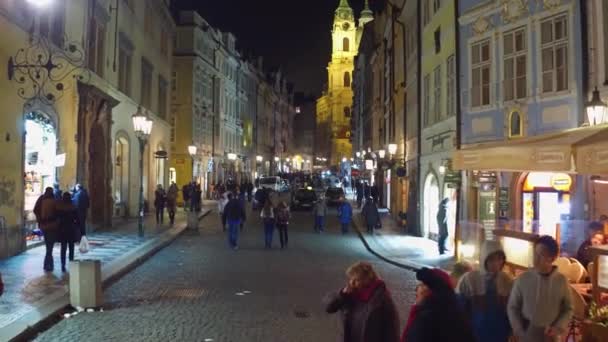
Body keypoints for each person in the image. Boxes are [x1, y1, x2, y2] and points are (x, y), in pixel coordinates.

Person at [507, 235, 573, 342]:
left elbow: (568, 308)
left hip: (551, 336)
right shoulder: (523, 279)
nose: (535, 258)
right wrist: (519, 330)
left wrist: (558, 327)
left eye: (541, 255)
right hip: (527, 334)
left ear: (552, 258)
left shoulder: (561, 281)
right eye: (535, 253)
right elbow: (512, 307)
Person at [325, 261, 400, 342]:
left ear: (367, 280)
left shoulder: (382, 299)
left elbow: (392, 330)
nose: (352, 283)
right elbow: (329, 308)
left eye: (356, 280)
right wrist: (342, 294)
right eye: (351, 279)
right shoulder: (348, 294)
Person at [457, 241, 513, 342]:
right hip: (476, 331)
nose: (496, 263)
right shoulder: (470, 279)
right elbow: (459, 308)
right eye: (491, 259)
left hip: (500, 331)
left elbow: (512, 308)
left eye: (499, 259)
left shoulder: (507, 280)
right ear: (484, 259)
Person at [401, 267, 476, 342]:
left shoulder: (426, 318)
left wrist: (416, 308)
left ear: (430, 291)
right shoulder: (456, 312)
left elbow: (409, 337)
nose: (417, 289)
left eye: (422, 285)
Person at [34, 187, 59, 272]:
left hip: (44, 225)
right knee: (50, 246)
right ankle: (49, 264)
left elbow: (35, 210)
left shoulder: (41, 199)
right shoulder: (54, 201)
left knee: (48, 245)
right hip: (52, 226)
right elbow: (58, 213)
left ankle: (47, 264)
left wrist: (39, 220)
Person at [56, 192, 80, 272]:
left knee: (63, 248)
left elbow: (57, 219)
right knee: (71, 248)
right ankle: (71, 263)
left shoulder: (60, 208)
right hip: (71, 229)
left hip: (63, 230)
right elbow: (77, 220)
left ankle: (63, 265)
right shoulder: (73, 207)